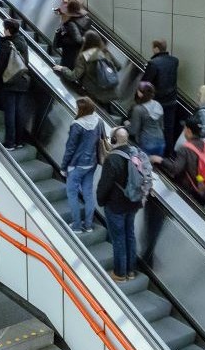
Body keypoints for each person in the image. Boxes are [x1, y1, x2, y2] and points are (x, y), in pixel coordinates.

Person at [96, 126, 146, 282]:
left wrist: (101, 200)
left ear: (114, 140)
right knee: (129, 235)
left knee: (118, 239)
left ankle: (120, 273)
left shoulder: (112, 159)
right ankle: (131, 271)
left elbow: (105, 185)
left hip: (116, 206)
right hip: (133, 203)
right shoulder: (135, 154)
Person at [62, 97, 103, 233]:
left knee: (72, 193)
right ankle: (89, 225)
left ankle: (77, 226)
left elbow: (70, 148)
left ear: (82, 109)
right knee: (88, 193)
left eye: (77, 107)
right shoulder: (99, 121)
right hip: (92, 163)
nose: (75, 109)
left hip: (77, 165)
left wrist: (63, 167)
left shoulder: (77, 125)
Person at [0, 19, 32, 149]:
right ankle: (19, 141)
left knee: (9, 113)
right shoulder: (23, 42)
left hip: (9, 82)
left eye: (5, 29)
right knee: (19, 112)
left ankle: (10, 142)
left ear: (8, 30)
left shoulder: (7, 45)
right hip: (22, 81)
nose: (3, 31)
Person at [55, 29, 120, 105]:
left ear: (87, 42)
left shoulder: (84, 56)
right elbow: (118, 66)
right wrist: (106, 73)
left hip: (93, 93)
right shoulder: (105, 51)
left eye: (84, 38)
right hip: (110, 92)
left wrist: (63, 69)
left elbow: (74, 76)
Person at [141, 40, 181, 153]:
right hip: (172, 101)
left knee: (154, 128)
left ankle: (155, 152)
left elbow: (145, 82)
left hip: (157, 102)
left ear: (156, 49)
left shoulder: (153, 63)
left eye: (153, 47)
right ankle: (169, 153)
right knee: (169, 128)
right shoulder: (174, 61)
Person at [127, 82, 166, 157]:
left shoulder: (138, 109)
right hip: (161, 142)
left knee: (143, 165)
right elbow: (162, 126)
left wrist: (126, 125)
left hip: (147, 142)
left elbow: (133, 130)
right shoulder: (158, 105)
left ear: (139, 94)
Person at [53, 0, 91, 69]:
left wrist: (65, 40)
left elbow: (78, 40)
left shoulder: (71, 24)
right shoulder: (85, 20)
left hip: (70, 55)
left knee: (67, 70)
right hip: (80, 55)